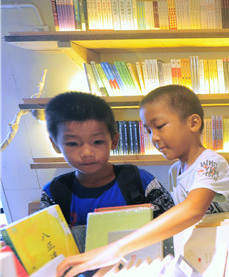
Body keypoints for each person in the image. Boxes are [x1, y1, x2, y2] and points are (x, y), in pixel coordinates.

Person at [57, 85, 229, 277]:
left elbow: (193, 210)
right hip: (202, 254)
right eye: (148, 130)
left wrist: (115, 249)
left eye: (160, 126)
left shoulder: (210, 161)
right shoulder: (175, 171)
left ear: (194, 123)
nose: (154, 138)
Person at [40, 91, 174, 226]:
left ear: (114, 141)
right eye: (73, 143)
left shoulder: (140, 181)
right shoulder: (53, 194)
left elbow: (171, 225)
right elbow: (47, 241)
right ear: (55, 145)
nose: (87, 153)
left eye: (97, 142)